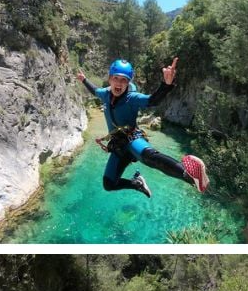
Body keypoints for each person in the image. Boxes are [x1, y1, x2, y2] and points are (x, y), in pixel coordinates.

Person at [76, 58, 209, 199]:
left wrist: (166, 85)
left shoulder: (132, 98)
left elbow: (152, 100)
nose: (119, 83)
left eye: (124, 80)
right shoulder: (105, 94)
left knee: (150, 157)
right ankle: (137, 184)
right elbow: (95, 90)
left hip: (132, 139)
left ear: (128, 83)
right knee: (109, 184)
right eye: (116, 78)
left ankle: (189, 176)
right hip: (118, 146)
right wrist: (84, 80)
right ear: (109, 79)